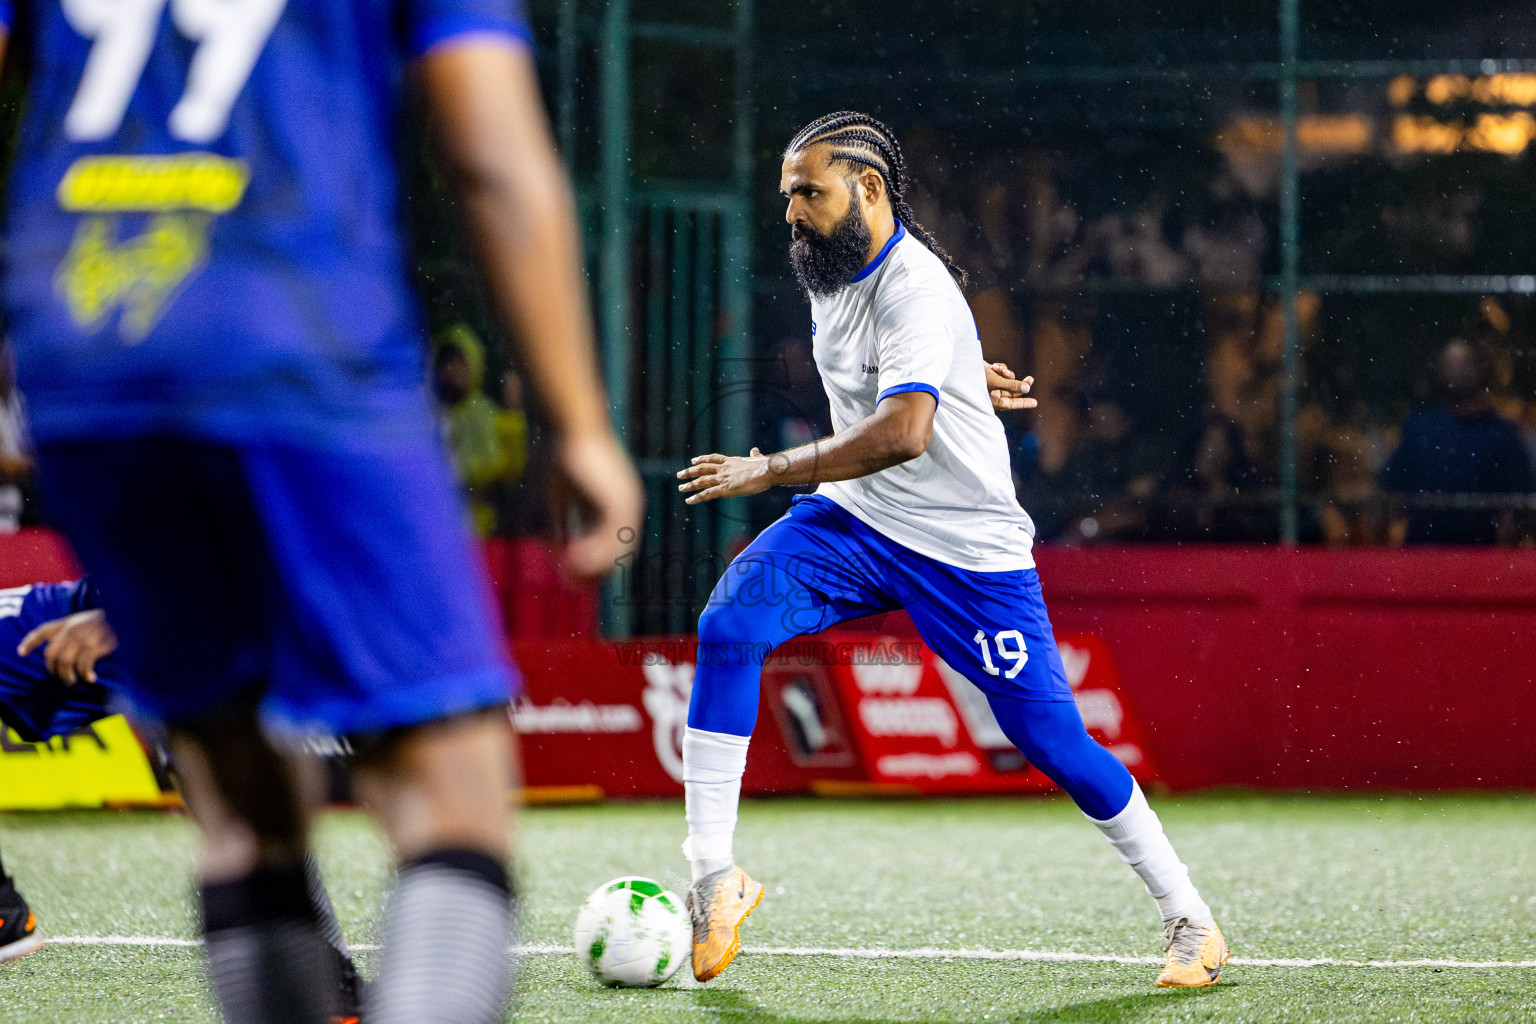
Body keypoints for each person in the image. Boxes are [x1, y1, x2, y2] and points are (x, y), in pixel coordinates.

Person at [0, 5, 641, 1024]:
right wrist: (580, 423)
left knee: (242, 811)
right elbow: (490, 155)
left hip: (81, 349)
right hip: (298, 334)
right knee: (450, 796)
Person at [675, 111, 1227, 989]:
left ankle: (1190, 918)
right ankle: (713, 878)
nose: (790, 212)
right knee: (730, 626)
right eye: (787, 195)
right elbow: (894, 378)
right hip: (855, 523)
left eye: (807, 193)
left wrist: (769, 468)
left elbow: (903, 431)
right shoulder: (828, 270)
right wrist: (964, 370)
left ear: (868, 189)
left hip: (964, 550)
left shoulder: (917, 287)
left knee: (1050, 738)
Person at [0, 580, 362, 1021]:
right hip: (108, 602)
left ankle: (333, 987)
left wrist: (141, 613)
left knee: (230, 786)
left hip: (194, 610)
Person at [1380, 338, 1533, 544]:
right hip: (1423, 554)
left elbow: (1518, 507)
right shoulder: (1419, 428)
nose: (1457, 370)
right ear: (1440, 372)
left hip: (1481, 556)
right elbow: (1390, 494)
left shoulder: (1501, 433)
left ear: (1478, 370)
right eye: (1451, 364)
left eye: (1463, 363)